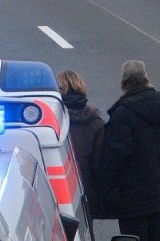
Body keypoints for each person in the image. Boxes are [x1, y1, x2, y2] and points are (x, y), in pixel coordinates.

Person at [95, 60, 160, 241]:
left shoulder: (122, 114)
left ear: (123, 83)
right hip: (157, 189)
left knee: (133, 237)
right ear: (146, 78)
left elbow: (116, 156)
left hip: (131, 194)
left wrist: (104, 188)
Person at [56, 70, 104, 213]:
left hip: (58, 187)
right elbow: (98, 164)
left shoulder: (53, 122)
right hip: (85, 188)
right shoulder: (95, 123)